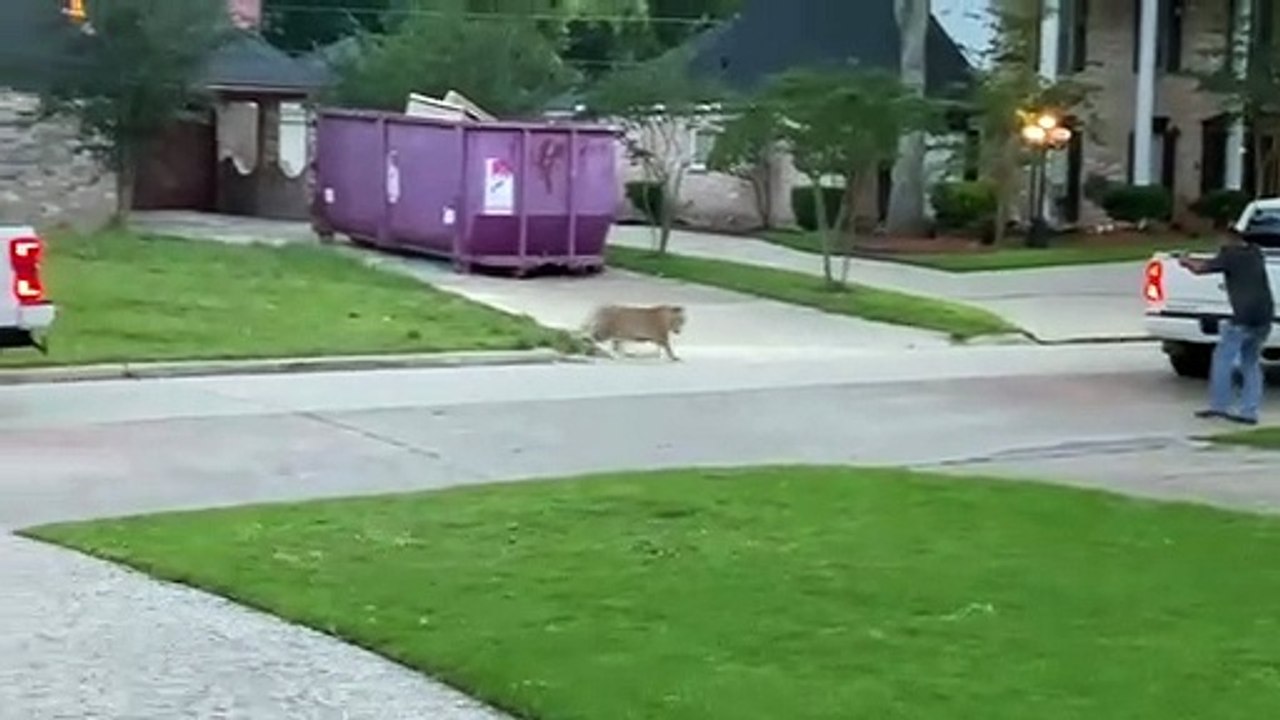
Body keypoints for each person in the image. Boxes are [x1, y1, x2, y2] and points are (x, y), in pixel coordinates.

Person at [1178, 230, 1274, 426]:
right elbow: (1215, 261)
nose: (1218, 246)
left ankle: (1219, 406)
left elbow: (1200, 269)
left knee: (1223, 359)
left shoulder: (1229, 256)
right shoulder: (1255, 252)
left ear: (1227, 240)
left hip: (1242, 317)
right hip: (1264, 316)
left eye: (1220, 241)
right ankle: (1249, 411)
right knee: (1251, 362)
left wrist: (1185, 261)